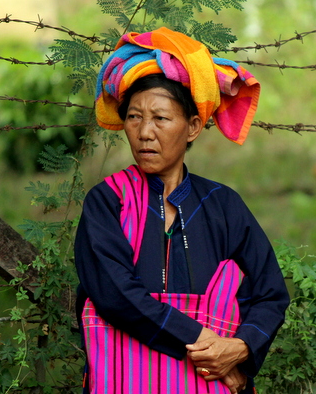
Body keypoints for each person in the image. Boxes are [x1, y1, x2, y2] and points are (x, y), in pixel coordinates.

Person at [74, 27, 289, 394]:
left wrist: (238, 351)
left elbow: (270, 294)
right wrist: (208, 350)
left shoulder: (223, 206)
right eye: (134, 117)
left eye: (160, 118)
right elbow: (117, 296)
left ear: (191, 127)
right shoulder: (108, 202)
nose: (144, 132)